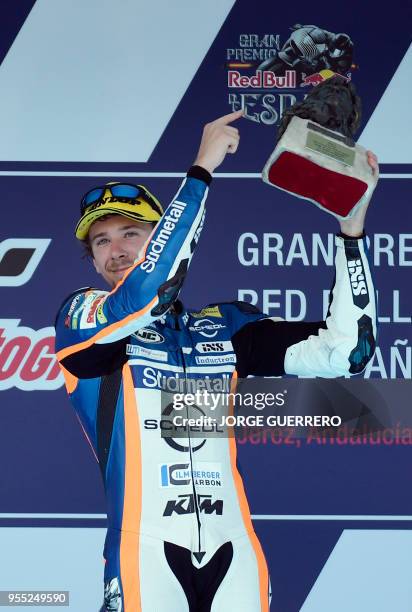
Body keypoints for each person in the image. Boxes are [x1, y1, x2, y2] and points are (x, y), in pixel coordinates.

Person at [55, 110, 378, 611]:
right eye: (102, 241)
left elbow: (348, 353)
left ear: (159, 237)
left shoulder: (225, 327)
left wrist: (350, 233)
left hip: (236, 547)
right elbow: (150, 293)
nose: (116, 249)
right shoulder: (83, 315)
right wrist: (201, 170)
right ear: (92, 260)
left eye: (130, 234)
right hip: (144, 550)